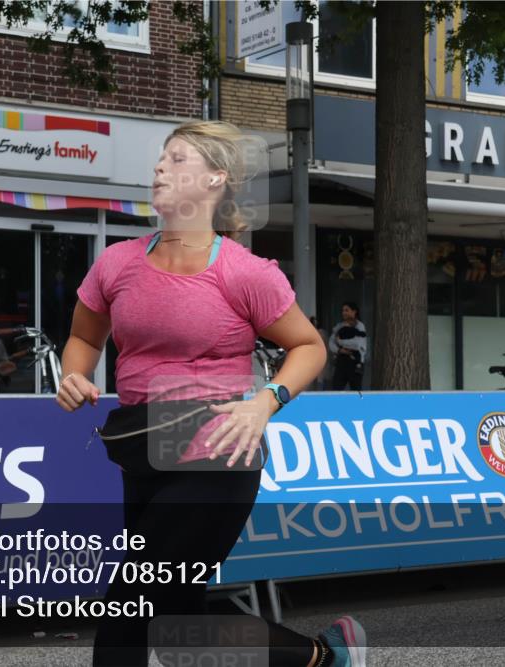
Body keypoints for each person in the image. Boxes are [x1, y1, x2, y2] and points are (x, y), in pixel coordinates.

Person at [56, 121, 367, 667]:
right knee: (178, 621)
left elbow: (308, 347)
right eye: (161, 158)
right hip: (144, 450)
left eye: (178, 159)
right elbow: (84, 336)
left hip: (217, 450)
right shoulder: (117, 263)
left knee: (130, 602)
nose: (160, 167)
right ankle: (323, 657)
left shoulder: (244, 272)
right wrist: (74, 374)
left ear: (215, 179)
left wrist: (264, 401)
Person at [329, 303, 367, 391]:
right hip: (341, 361)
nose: (344, 313)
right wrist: (339, 350)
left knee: (356, 391)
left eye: (347, 310)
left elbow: (357, 344)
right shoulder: (339, 325)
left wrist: (340, 342)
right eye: (343, 310)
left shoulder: (360, 326)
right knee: (336, 389)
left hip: (355, 362)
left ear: (354, 312)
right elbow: (331, 342)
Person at [310, 315, 332, 390]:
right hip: (313, 362)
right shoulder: (312, 333)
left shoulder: (322, 333)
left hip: (321, 361)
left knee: (321, 382)